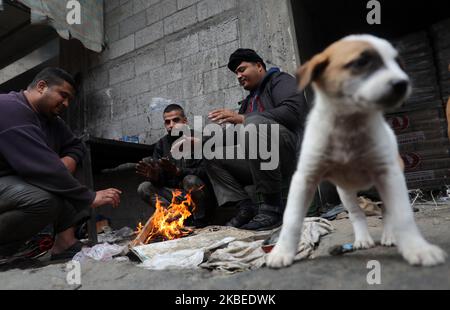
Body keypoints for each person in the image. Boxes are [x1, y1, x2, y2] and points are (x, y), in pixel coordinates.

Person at [0, 68, 121, 260]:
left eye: (69, 99)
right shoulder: (9, 108)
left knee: (58, 180)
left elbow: (76, 144)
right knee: (44, 199)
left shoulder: (50, 119)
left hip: (10, 182)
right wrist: (89, 197)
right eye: (63, 95)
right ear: (41, 87)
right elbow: (42, 168)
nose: (66, 103)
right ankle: (6, 251)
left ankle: (64, 242)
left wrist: (68, 160)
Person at [206, 49, 309, 231]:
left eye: (242, 69)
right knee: (212, 154)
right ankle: (246, 208)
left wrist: (243, 118)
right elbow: (236, 136)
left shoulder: (280, 80)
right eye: (236, 73)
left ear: (259, 67)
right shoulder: (248, 102)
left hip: (290, 151)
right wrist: (200, 141)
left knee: (253, 124)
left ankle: (272, 208)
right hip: (262, 158)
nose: (239, 76)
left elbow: (294, 112)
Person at [136, 104, 214, 227]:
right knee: (144, 187)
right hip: (176, 196)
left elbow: (208, 173)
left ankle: (201, 220)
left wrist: (179, 171)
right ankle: (176, 218)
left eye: (176, 120)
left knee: (190, 180)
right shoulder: (161, 145)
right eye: (167, 122)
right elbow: (160, 181)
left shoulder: (197, 139)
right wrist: (154, 176)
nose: (171, 125)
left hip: (200, 196)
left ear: (185, 121)